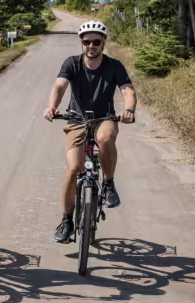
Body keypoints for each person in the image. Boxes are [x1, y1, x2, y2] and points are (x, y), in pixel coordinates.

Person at [43, 20, 137, 243]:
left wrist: (129, 110)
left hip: (105, 118)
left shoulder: (114, 66)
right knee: (74, 167)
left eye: (96, 41)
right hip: (76, 120)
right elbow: (59, 86)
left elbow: (128, 91)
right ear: (81, 43)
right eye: (87, 42)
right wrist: (52, 106)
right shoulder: (72, 63)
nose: (91, 46)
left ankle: (109, 184)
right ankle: (66, 220)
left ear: (103, 42)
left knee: (105, 139)